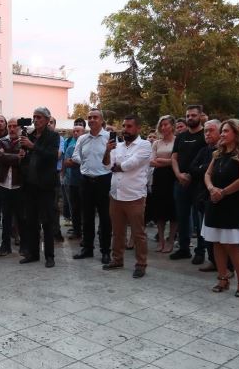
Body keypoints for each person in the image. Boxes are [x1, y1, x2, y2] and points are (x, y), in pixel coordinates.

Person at [202, 119, 239, 297]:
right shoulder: (218, 153)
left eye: (226, 131)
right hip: (215, 202)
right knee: (216, 242)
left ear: (237, 133)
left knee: (232, 246)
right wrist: (211, 189)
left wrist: (223, 192)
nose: (222, 134)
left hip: (233, 204)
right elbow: (207, 174)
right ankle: (222, 277)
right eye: (222, 131)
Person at [102, 115, 152, 278]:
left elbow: (132, 164)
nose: (125, 129)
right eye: (124, 126)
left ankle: (141, 264)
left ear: (138, 128)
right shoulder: (117, 146)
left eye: (129, 126)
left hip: (134, 196)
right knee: (117, 232)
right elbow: (107, 165)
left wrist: (118, 167)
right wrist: (107, 150)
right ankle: (117, 259)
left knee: (138, 233)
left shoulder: (145, 145)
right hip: (116, 195)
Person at [19, 107, 59, 267]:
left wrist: (33, 146)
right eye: (34, 117)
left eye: (39, 117)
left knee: (47, 222)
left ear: (47, 120)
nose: (35, 120)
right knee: (31, 221)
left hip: (45, 186)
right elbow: (26, 159)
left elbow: (52, 156)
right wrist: (22, 156)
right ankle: (33, 254)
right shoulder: (29, 135)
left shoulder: (53, 136)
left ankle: (50, 256)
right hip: (30, 185)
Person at [72, 108, 112, 264]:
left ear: (101, 120)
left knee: (105, 218)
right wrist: (85, 162)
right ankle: (87, 249)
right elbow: (75, 155)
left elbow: (114, 157)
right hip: (86, 181)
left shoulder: (109, 137)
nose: (92, 120)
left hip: (104, 180)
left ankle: (105, 251)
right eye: (89, 117)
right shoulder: (82, 139)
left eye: (95, 117)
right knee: (87, 217)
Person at [171, 105, 206, 261]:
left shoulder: (205, 135)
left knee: (199, 219)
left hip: (199, 183)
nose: (190, 118)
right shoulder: (181, 136)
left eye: (193, 115)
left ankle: (200, 251)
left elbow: (209, 158)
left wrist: (192, 175)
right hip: (180, 182)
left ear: (200, 116)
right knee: (182, 217)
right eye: (188, 116)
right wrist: (178, 174)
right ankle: (184, 249)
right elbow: (174, 157)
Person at [190, 119, 221, 271]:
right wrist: (206, 169)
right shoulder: (204, 151)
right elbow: (193, 168)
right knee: (205, 230)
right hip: (203, 195)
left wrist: (203, 168)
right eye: (205, 131)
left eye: (211, 130)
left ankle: (225, 265)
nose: (207, 134)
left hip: (220, 196)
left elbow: (217, 171)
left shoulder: (225, 151)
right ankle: (213, 260)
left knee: (219, 233)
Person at [0, 117, 25, 256]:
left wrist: (8, 156)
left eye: (15, 126)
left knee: (21, 217)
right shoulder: (1, 141)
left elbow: (25, 160)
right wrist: (17, 157)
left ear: (20, 127)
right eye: (10, 126)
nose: (12, 129)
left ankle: (24, 245)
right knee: (6, 217)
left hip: (19, 184)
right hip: (4, 184)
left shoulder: (24, 141)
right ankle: (5, 245)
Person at [150, 115, 177, 253]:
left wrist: (163, 160)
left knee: (173, 210)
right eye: (162, 125)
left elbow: (178, 160)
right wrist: (169, 161)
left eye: (166, 124)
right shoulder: (156, 143)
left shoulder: (178, 141)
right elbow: (151, 161)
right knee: (159, 210)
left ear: (172, 126)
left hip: (173, 176)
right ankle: (160, 240)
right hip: (159, 178)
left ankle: (171, 240)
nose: (164, 127)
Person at [62, 119, 85, 241]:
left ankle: (85, 230)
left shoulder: (87, 146)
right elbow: (66, 162)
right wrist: (80, 162)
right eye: (74, 131)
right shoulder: (70, 147)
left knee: (84, 208)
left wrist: (74, 161)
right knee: (74, 207)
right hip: (72, 181)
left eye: (78, 131)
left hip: (85, 181)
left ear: (83, 133)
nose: (76, 133)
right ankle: (76, 230)